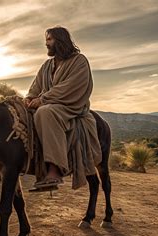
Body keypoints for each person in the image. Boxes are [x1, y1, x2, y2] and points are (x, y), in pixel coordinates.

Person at [24, 26, 98, 189]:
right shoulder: (46, 66)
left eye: (49, 39)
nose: (46, 43)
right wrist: (29, 98)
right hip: (49, 104)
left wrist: (43, 99)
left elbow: (70, 87)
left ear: (60, 40)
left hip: (70, 107)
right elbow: (36, 86)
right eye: (46, 40)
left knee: (45, 112)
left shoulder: (79, 61)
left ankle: (55, 171)